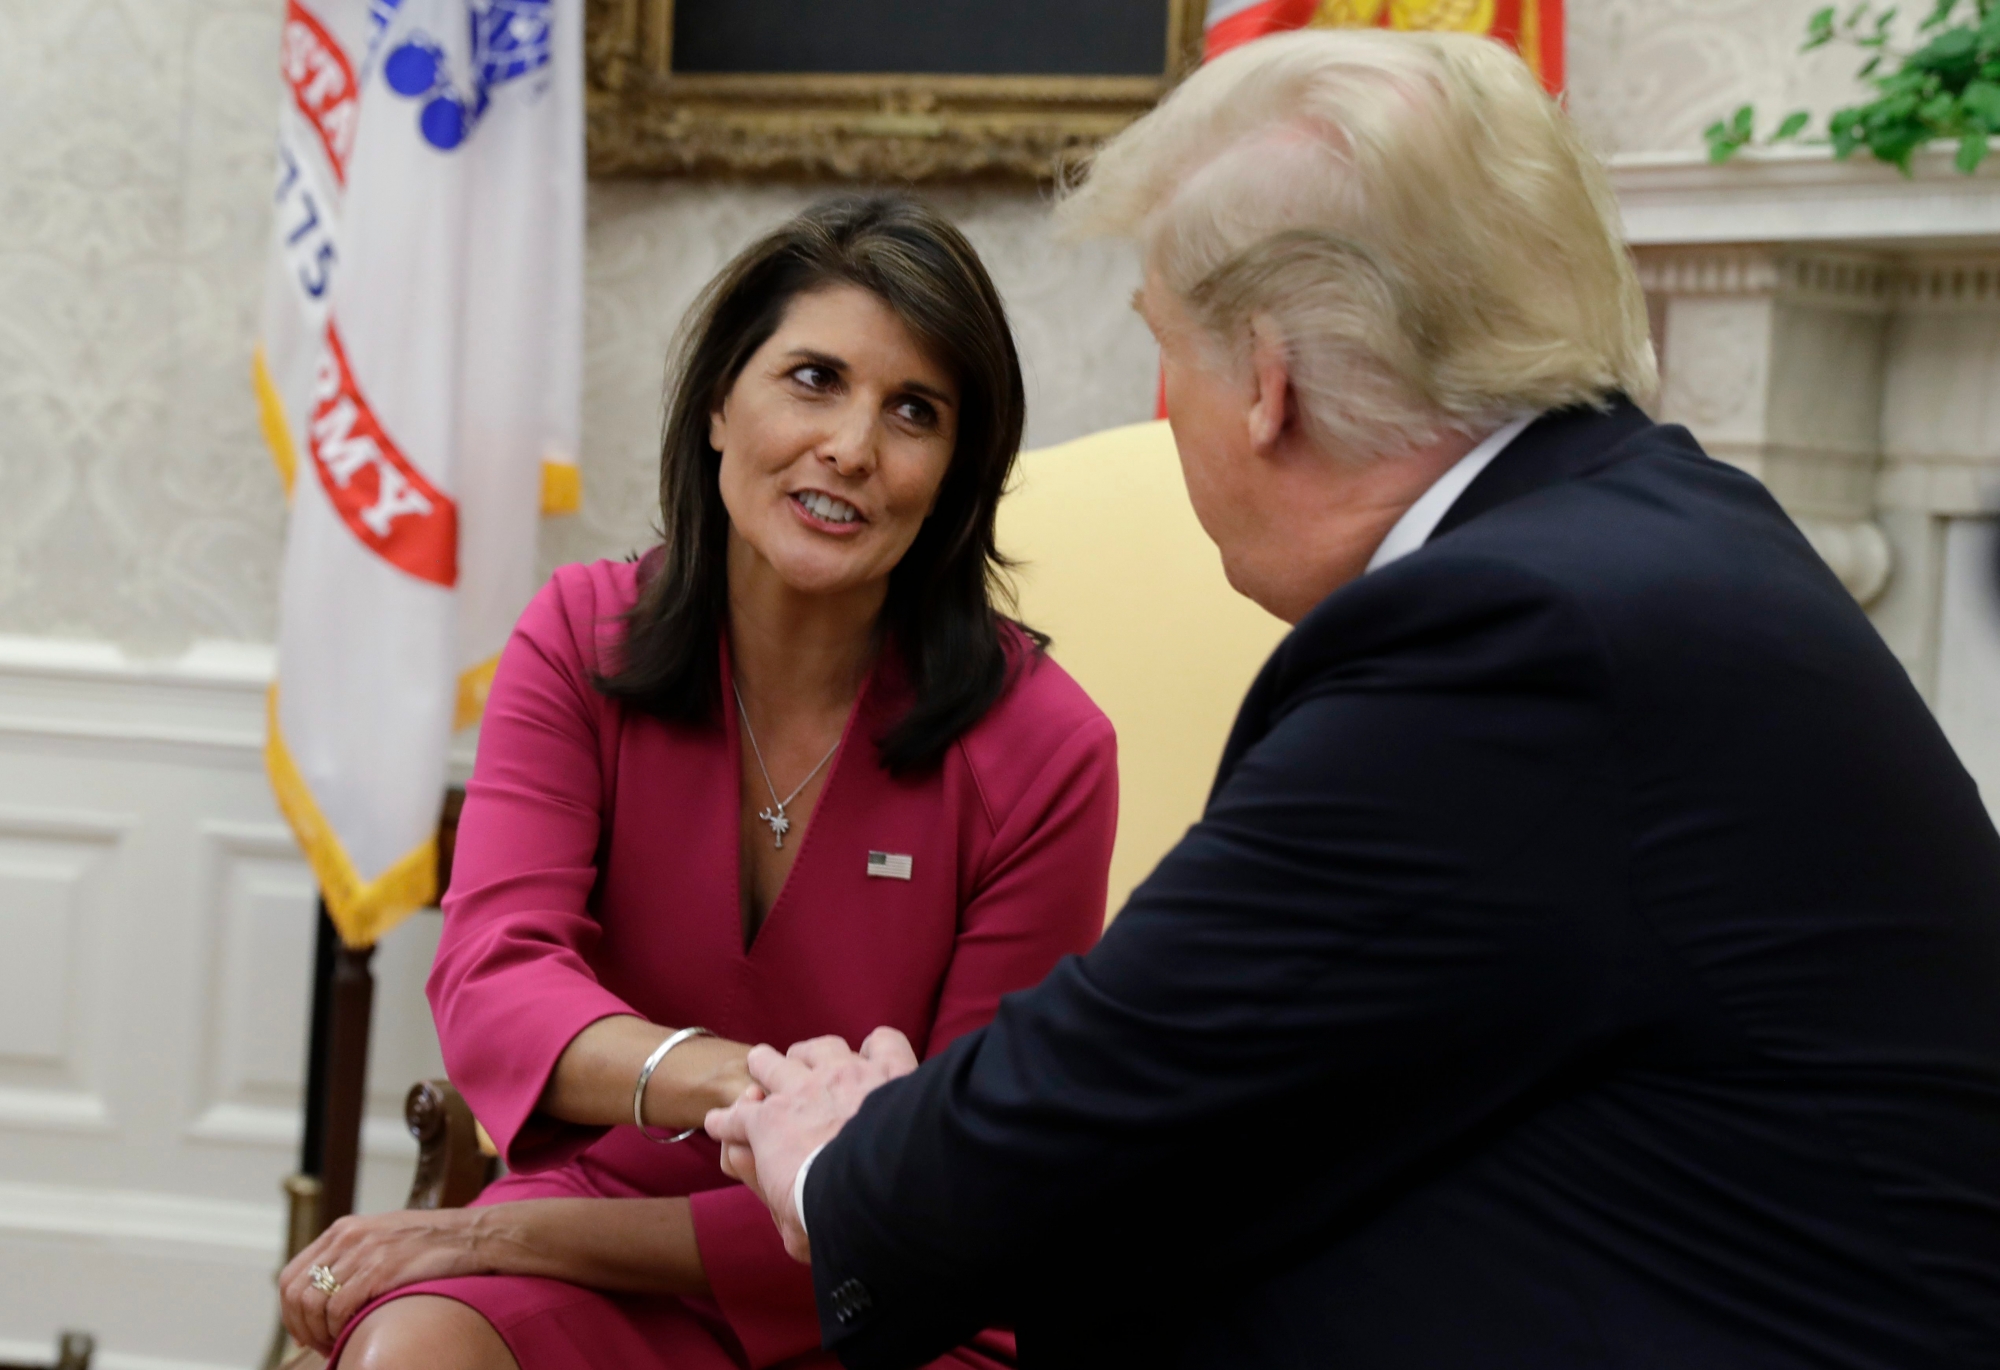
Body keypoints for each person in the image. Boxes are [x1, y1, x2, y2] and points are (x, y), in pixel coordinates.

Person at [706, 30, 2000, 1370]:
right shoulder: (1645, 528)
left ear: (1265, 383)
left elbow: (1128, 1073)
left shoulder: (1514, 639)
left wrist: (836, 1153)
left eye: (1172, 355)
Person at [275, 195, 1119, 1370]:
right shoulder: (579, 638)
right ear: (720, 403)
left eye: (912, 411)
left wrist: (507, 1228)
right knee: (410, 1349)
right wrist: (754, 1090)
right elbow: (493, 978)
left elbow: (960, 1173)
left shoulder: (1046, 744)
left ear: (955, 474)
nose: (852, 446)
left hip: (880, 1291)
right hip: (589, 1237)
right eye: (813, 378)